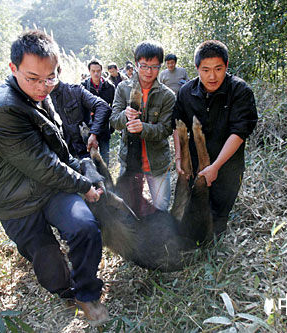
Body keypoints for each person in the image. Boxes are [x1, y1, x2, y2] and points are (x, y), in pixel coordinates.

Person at [0, 30, 109, 326]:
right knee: (49, 263)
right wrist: (85, 186)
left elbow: (60, 152)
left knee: (85, 227)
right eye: (33, 78)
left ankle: (87, 293)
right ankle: (66, 292)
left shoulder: (42, 96)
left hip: (50, 189)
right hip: (17, 202)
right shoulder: (3, 111)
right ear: (13, 69)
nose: (43, 86)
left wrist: (87, 168)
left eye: (50, 77)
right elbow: (44, 165)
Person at [173, 40, 258, 236]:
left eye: (218, 69)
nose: (212, 76)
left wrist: (216, 166)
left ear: (226, 66)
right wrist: (180, 160)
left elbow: (239, 132)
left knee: (219, 215)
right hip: (197, 166)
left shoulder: (240, 91)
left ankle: (214, 249)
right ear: (197, 68)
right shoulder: (186, 92)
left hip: (228, 166)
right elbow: (178, 126)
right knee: (195, 210)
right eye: (205, 70)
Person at [110, 40, 175, 215]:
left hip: (158, 163)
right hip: (130, 162)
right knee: (129, 208)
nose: (148, 71)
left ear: (160, 66)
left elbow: (166, 129)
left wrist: (143, 128)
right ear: (136, 63)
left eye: (154, 67)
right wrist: (125, 115)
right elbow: (114, 121)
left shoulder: (167, 96)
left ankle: (159, 242)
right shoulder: (123, 89)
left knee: (161, 209)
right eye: (144, 66)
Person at [50, 80, 111, 161]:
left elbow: (102, 106)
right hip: (61, 158)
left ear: (58, 71)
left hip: (85, 152)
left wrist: (93, 134)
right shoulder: (39, 100)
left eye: (50, 76)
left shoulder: (75, 91)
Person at [82, 59, 115, 165]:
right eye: (93, 71)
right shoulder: (83, 87)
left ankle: (106, 180)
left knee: (105, 157)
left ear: (102, 71)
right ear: (89, 71)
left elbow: (113, 107)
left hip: (104, 126)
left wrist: (112, 126)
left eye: (98, 71)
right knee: (91, 157)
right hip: (89, 127)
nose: (96, 74)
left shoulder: (109, 87)